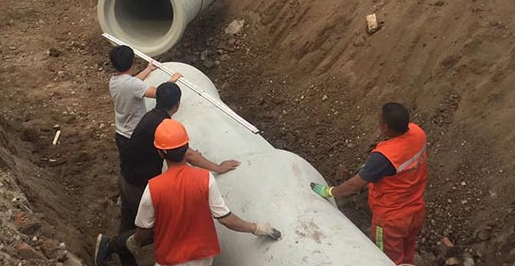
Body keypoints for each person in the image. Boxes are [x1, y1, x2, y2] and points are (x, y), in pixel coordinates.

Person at [94, 119, 281, 266]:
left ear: (160, 152)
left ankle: (109, 245)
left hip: (170, 258)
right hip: (202, 257)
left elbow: (144, 230)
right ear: (187, 148)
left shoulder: (154, 188)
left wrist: (134, 242)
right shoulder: (205, 179)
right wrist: (256, 228)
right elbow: (225, 218)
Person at [109, 82, 240, 234]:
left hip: (126, 176)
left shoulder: (150, 116)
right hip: (138, 185)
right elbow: (189, 155)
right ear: (177, 104)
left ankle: (115, 251)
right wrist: (218, 167)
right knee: (154, 231)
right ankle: (110, 245)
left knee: (129, 221)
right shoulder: (163, 125)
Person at [310, 102, 427, 265]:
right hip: (415, 210)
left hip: (390, 220)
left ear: (386, 127)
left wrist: (330, 192)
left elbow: (354, 185)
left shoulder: (384, 158)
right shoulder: (417, 133)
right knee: (407, 252)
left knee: (387, 260)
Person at [109, 46, 181, 178]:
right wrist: (172, 81)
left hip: (121, 133)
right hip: (135, 135)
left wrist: (148, 70)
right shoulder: (133, 85)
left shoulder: (114, 81)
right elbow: (159, 94)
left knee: (127, 167)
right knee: (144, 170)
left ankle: (126, 188)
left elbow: (132, 82)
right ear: (132, 62)